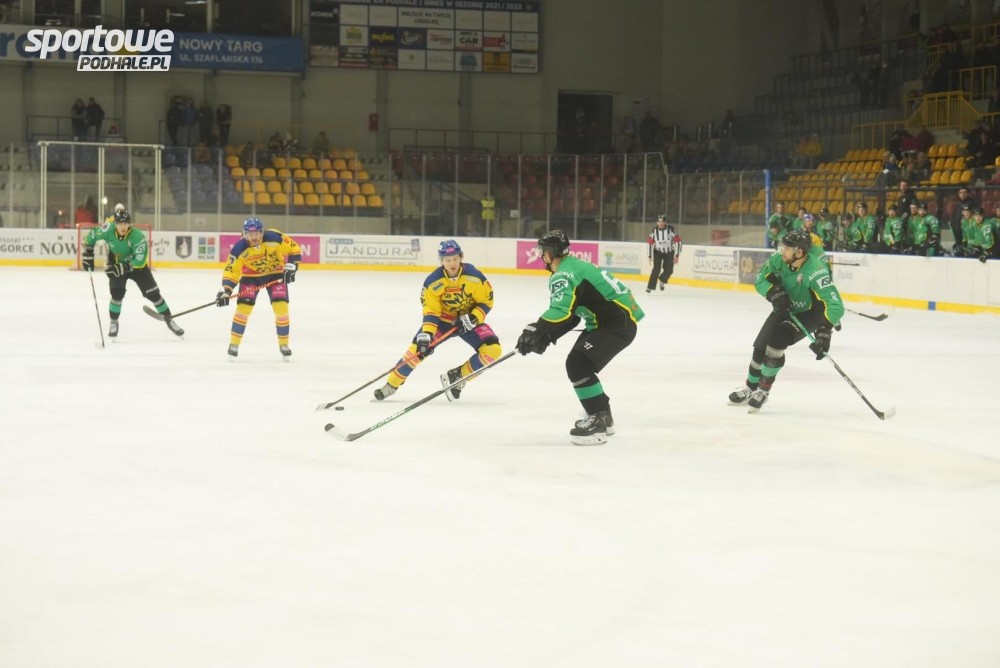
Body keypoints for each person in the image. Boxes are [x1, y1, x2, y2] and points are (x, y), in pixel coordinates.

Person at [515, 230, 645, 445]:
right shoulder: (572, 266)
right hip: (610, 322)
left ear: (551, 252)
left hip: (616, 325)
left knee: (578, 364)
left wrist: (535, 329)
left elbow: (561, 311)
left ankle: (598, 420)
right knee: (579, 363)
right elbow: (573, 316)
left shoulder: (564, 274)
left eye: (542, 251)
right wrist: (547, 335)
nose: (541, 255)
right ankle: (603, 415)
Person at [728, 229, 845, 412]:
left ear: (799, 252)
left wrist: (824, 330)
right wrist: (773, 293)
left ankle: (763, 390)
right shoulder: (778, 259)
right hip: (785, 307)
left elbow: (836, 305)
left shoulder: (816, 271)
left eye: (788, 248)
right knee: (760, 346)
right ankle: (750, 387)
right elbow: (760, 280)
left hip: (809, 312)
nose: (783, 251)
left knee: (777, 339)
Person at [373, 240, 501, 402]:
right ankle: (391, 385)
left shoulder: (474, 277)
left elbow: (486, 301)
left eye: (455, 259)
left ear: (461, 257)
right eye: (448, 260)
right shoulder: (433, 282)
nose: (452, 263)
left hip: (468, 321)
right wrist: (427, 334)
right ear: (441, 261)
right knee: (416, 351)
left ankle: (458, 376)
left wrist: (473, 317)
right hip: (442, 323)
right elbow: (432, 311)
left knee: (493, 350)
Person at [81, 209, 184, 339]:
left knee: (154, 294)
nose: (123, 226)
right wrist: (88, 254)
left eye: (125, 223)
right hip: (117, 263)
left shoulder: (138, 236)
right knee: (117, 294)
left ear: (129, 223)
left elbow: (140, 261)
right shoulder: (108, 229)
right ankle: (114, 322)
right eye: (120, 223)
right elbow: (92, 235)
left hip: (137, 268)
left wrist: (123, 267)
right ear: (115, 223)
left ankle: (170, 320)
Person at [215, 218, 301, 360]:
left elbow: (294, 248)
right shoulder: (239, 249)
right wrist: (226, 290)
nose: (254, 237)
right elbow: (231, 271)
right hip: (251, 277)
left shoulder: (274, 238)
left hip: (275, 275)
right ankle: (234, 345)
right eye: (250, 234)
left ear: (262, 232)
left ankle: (284, 345)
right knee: (244, 307)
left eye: (256, 233)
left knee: (281, 306)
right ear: (244, 234)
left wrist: (292, 266)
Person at [646, 214, 681, 293]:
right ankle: (650, 287)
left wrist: (677, 255)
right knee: (656, 269)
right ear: (657, 223)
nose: (661, 223)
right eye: (659, 222)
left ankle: (662, 280)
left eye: (662, 222)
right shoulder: (654, 230)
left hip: (669, 252)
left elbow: (678, 241)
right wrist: (649, 255)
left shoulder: (671, 229)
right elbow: (650, 243)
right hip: (658, 252)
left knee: (669, 270)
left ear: (665, 222)